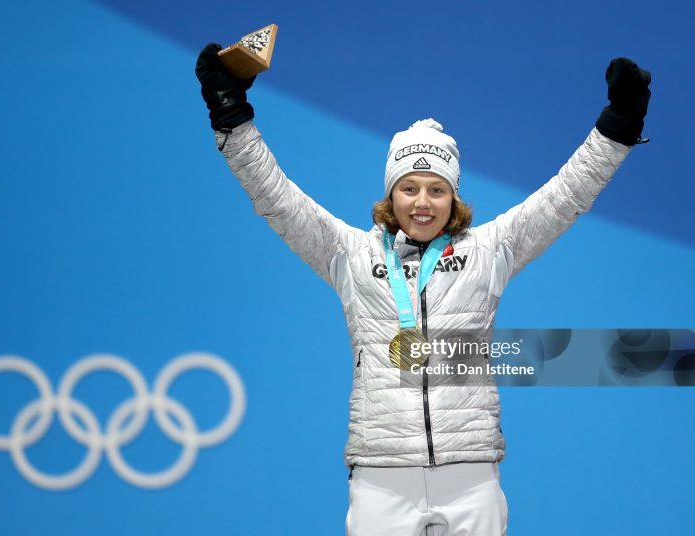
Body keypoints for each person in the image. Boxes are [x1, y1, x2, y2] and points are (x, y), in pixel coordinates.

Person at [195, 43, 651, 536]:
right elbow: (276, 198)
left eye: (437, 189)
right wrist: (232, 119)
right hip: (381, 475)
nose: (422, 202)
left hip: (470, 471)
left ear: (453, 197)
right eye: (409, 187)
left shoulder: (489, 250)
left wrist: (617, 128)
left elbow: (565, 197)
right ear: (390, 193)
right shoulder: (349, 254)